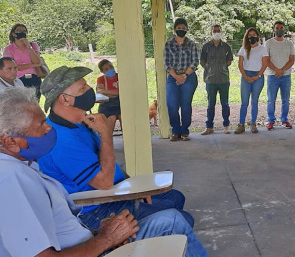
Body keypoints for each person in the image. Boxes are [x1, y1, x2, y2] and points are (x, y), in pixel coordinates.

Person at [0, 87, 208, 257]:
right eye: (41, 125)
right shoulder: (11, 180)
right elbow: (104, 182)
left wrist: (98, 233)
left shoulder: (25, 165)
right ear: (10, 141)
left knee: (173, 204)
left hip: (90, 234)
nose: (48, 129)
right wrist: (106, 240)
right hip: (97, 217)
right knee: (174, 220)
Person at [164, 18, 199, 141]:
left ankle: (185, 131)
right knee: (172, 105)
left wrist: (184, 76)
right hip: (173, 77)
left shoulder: (191, 44)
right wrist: (176, 76)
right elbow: (167, 63)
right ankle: (176, 131)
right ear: (174, 29)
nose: (181, 30)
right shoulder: (168, 44)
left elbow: (195, 62)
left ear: (186, 30)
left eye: (183, 28)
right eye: (179, 28)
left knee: (185, 105)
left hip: (189, 77)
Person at [199, 24, 233, 135]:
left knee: (225, 104)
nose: (217, 32)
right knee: (210, 105)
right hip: (210, 80)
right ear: (211, 33)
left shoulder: (226, 47)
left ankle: (226, 126)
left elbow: (229, 61)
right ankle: (209, 127)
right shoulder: (206, 46)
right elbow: (202, 62)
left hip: (223, 80)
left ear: (221, 32)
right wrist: (211, 69)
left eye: (218, 31)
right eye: (215, 31)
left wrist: (221, 68)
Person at [235, 27, 269, 134]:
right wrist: (245, 76)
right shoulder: (243, 49)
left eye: (254, 35)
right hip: (246, 75)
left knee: (254, 101)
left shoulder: (262, 49)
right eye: (249, 35)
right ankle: (241, 125)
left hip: (258, 77)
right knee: (244, 102)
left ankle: (253, 124)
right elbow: (240, 65)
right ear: (246, 37)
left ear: (257, 36)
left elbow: (265, 64)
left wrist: (257, 76)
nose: (251, 37)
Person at [265, 21, 295, 130]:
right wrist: (276, 70)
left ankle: (284, 119)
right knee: (271, 100)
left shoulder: (289, 43)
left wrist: (282, 70)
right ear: (273, 29)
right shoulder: (268, 43)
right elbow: (266, 60)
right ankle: (271, 120)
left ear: (284, 29)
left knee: (285, 100)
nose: (279, 29)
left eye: (281, 27)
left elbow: (292, 60)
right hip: (272, 76)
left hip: (286, 76)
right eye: (277, 28)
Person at [3, 23, 43, 99]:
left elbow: (37, 61)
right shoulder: (9, 49)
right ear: (13, 34)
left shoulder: (33, 45)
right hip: (18, 79)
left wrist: (28, 46)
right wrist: (33, 65)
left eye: (24, 31)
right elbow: (13, 67)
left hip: (34, 78)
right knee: (21, 104)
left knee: (35, 104)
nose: (22, 32)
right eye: (19, 30)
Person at [96, 59, 122, 133]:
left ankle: (128, 141)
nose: (110, 69)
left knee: (123, 118)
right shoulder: (100, 79)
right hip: (106, 105)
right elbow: (100, 92)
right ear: (102, 71)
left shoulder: (119, 76)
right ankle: (108, 141)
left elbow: (120, 92)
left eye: (111, 67)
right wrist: (115, 92)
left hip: (119, 103)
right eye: (106, 69)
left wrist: (105, 91)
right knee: (111, 118)